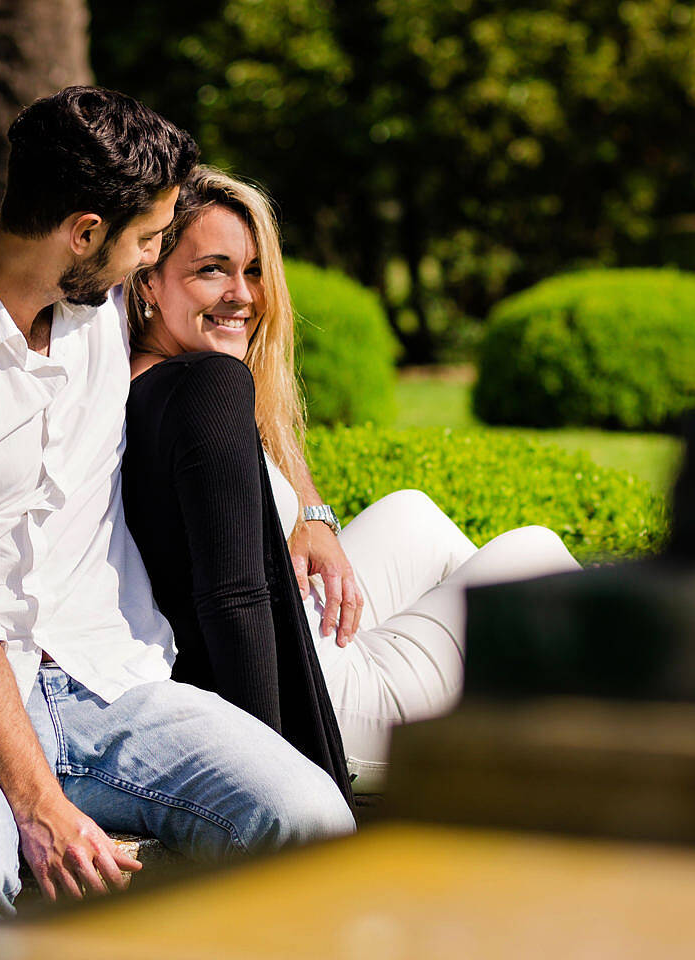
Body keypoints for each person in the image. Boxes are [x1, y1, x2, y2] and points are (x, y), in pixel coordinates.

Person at [0, 89, 354, 930]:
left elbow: (238, 375)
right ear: (84, 232)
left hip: (112, 683)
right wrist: (38, 806)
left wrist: (312, 510)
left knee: (310, 818)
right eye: (148, 242)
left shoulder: (98, 310)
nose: (152, 265)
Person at [120, 166, 581, 793]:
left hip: (315, 638)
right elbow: (231, 603)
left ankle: (522, 687)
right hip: (329, 710)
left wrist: (311, 518)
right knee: (534, 553)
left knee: (412, 513)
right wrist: (276, 778)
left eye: (253, 272)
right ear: (147, 281)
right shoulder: (203, 391)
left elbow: (262, 464)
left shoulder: (148, 376)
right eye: (212, 270)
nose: (245, 296)